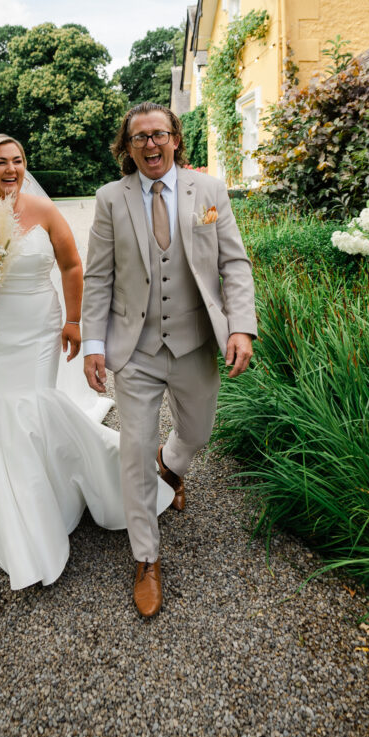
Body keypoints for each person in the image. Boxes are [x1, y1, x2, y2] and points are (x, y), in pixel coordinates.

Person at [0, 133, 174, 590]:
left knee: (31, 404)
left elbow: (71, 266)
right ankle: (17, 511)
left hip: (37, 330)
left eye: (18, 161)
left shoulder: (44, 212)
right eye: (1, 163)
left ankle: (53, 496)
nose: (12, 170)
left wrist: (73, 323)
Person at [82, 103, 257, 617]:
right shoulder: (110, 199)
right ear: (127, 148)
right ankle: (146, 556)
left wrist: (241, 325)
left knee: (197, 433)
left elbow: (234, 262)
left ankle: (172, 466)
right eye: (139, 138)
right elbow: (97, 277)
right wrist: (95, 344)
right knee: (134, 450)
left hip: (195, 341)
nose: (150, 145)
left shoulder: (210, 192)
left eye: (159, 134)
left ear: (176, 139)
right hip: (135, 348)